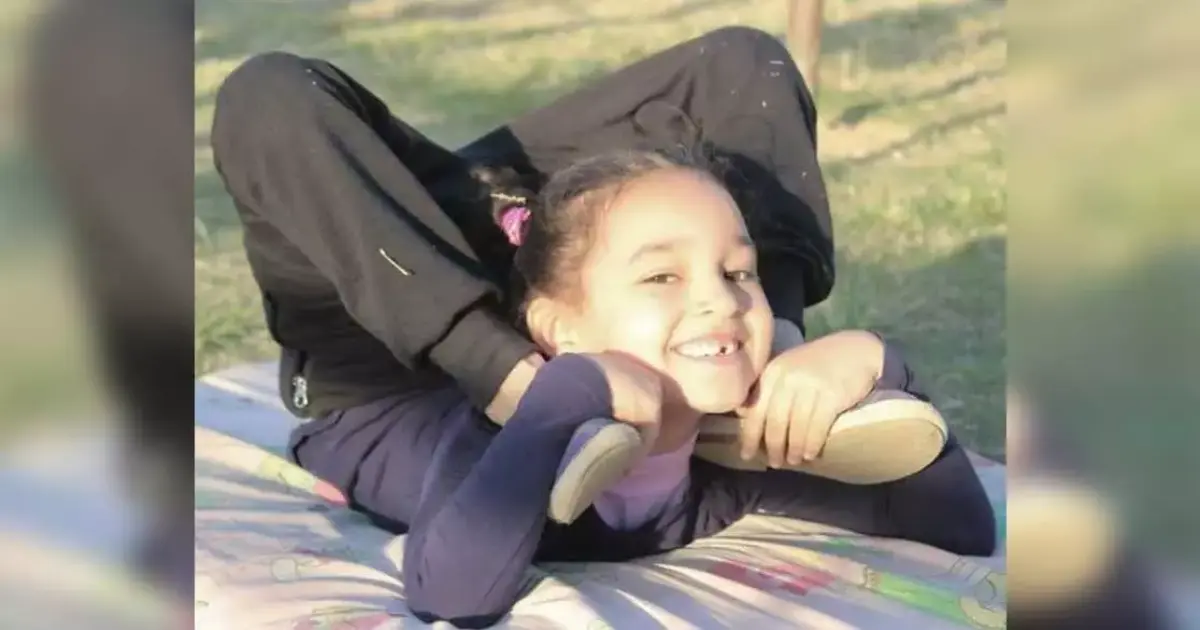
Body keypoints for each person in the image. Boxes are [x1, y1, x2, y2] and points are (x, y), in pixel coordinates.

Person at [210, 26, 947, 525]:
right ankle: (518, 388)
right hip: (389, 348)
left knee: (745, 62)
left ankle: (772, 365)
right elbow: (457, 580)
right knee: (267, 93)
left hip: (515, 232)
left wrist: (791, 322)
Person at [308, 147, 995, 627]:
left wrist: (879, 362)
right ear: (560, 330)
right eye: (662, 276)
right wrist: (570, 390)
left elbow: (957, 526)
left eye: (739, 272)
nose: (722, 300)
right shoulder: (500, 434)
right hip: (366, 416)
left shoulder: (726, 466)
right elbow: (450, 596)